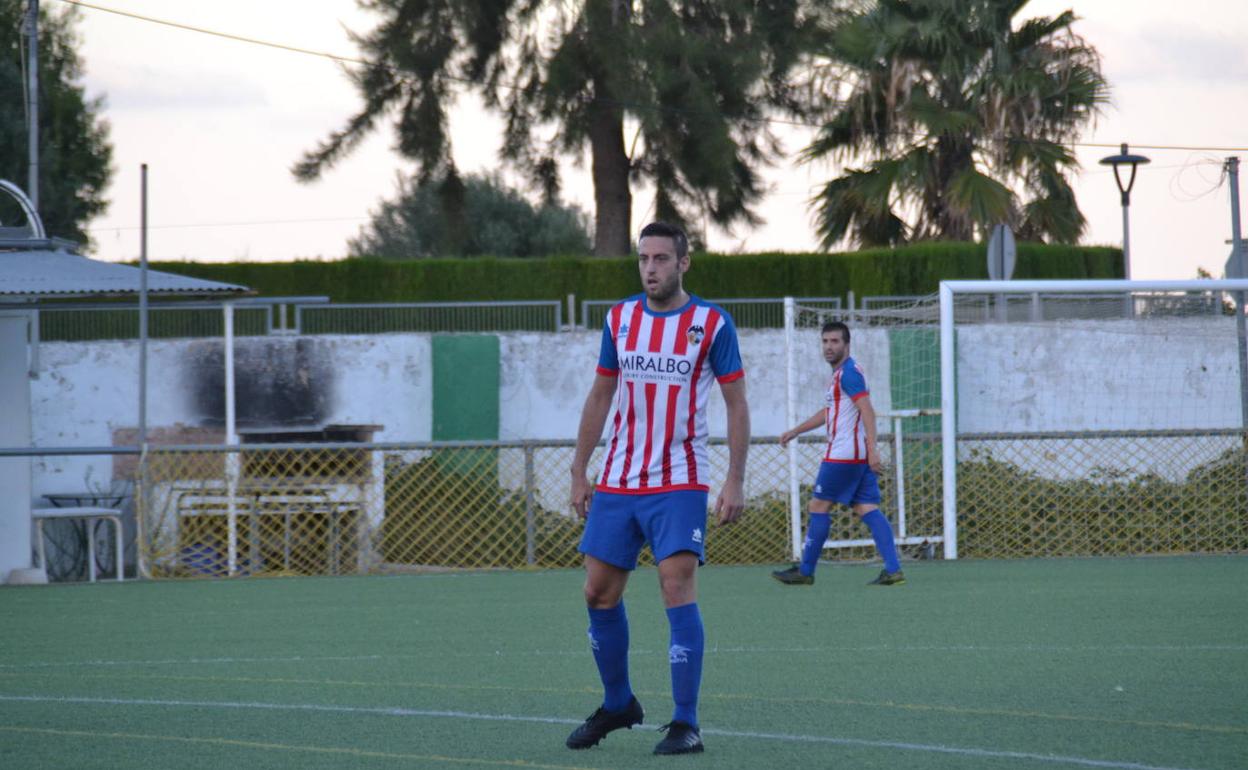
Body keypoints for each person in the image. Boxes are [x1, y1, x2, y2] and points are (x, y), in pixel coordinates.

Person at [566, 221, 750, 756]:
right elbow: (601, 393)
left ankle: (685, 722)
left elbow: (737, 403)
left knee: (676, 584)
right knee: (598, 592)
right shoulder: (619, 319)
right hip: (620, 478)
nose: (651, 268)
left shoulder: (712, 323)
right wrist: (580, 468)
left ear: (683, 263)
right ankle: (619, 702)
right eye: (644, 258)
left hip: (681, 478)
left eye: (662, 258)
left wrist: (735, 477)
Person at [771, 320, 904, 587]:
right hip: (855, 456)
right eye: (825, 341)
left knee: (818, 505)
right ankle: (894, 570)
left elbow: (867, 409)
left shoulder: (849, 374)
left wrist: (873, 450)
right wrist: (796, 430)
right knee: (866, 507)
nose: (829, 347)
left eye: (835, 341)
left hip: (843, 455)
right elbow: (829, 412)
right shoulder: (843, 374)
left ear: (846, 344)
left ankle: (806, 571)